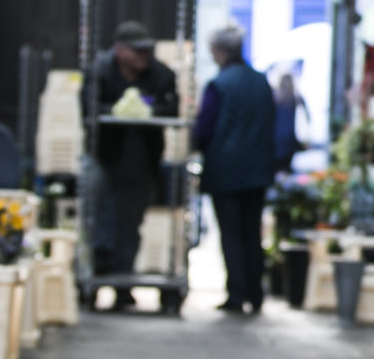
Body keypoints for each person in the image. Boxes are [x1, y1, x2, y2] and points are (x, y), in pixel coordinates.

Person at [87, 20, 181, 311]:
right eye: (138, 51)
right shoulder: (99, 72)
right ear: (120, 50)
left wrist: (147, 108)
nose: (144, 57)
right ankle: (95, 280)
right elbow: (87, 108)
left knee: (131, 224)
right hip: (104, 158)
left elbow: (171, 106)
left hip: (141, 163)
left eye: (147, 51)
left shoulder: (161, 75)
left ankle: (122, 287)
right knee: (100, 219)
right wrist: (115, 110)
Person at [193, 24, 277, 314]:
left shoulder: (220, 85)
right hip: (258, 170)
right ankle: (255, 293)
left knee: (230, 233)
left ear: (219, 51)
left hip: (226, 170)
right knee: (252, 232)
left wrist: (196, 143)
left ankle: (237, 293)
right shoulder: (261, 82)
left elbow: (204, 129)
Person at [272, 72, 309, 173]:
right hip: (290, 139)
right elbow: (307, 117)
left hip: (276, 138)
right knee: (286, 167)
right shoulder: (296, 97)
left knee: (277, 168)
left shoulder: (275, 97)